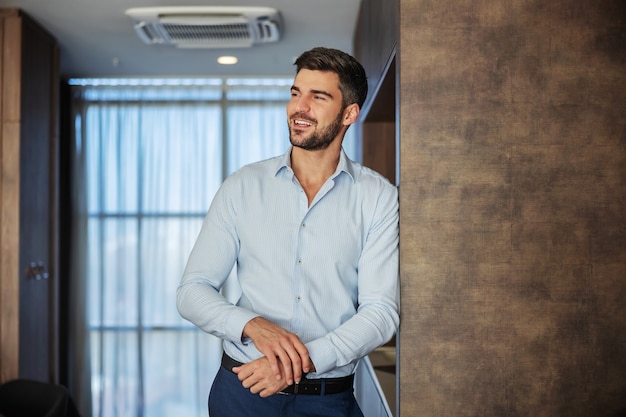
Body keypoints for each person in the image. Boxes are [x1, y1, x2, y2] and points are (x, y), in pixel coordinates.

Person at [177, 46, 399, 417]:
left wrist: (301, 361)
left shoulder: (378, 197)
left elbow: (381, 313)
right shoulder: (243, 186)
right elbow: (192, 290)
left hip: (328, 399)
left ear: (349, 113)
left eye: (318, 96)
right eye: (296, 93)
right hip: (243, 392)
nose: (299, 107)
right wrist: (252, 325)